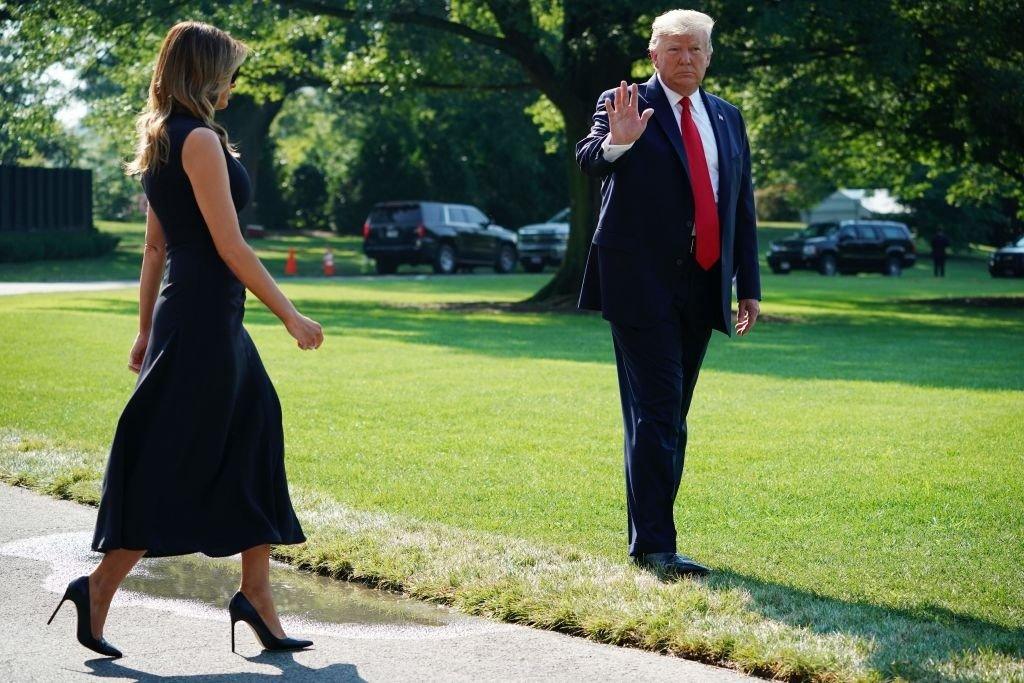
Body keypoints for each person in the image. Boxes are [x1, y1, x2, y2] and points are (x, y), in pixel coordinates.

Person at [46, 21, 324, 658]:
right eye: (228, 71)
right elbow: (228, 246)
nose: (233, 83)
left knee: (254, 430)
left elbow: (154, 248)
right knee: (173, 451)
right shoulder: (196, 141)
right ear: (202, 74)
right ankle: (98, 586)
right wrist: (290, 315)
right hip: (202, 316)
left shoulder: (163, 140)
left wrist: (145, 329)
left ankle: (256, 594)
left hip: (198, 315)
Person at [577, 9, 761, 578]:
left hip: (702, 282)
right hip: (639, 284)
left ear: (709, 57)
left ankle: (648, 538)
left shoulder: (727, 117)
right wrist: (618, 144)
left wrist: (747, 285)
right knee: (659, 413)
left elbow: (741, 205)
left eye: (696, 50)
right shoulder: (622, 101)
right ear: (653, 53)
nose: (686, 59)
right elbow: (588, 160)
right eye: (674, 49)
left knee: (667, 416)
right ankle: (656, 547)